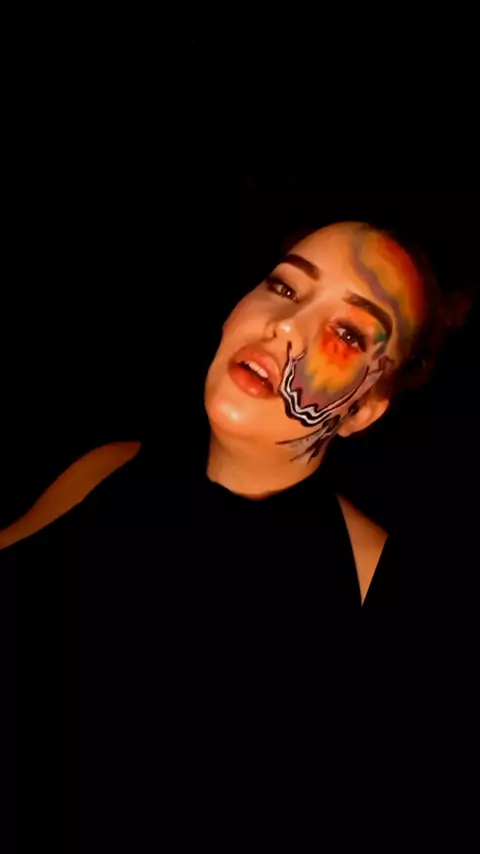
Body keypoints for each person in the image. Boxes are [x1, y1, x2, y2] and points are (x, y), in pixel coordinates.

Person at [2, 220, 472, 844]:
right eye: (285, 288)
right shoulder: (104, 470)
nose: (285, 326)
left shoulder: (374, 582)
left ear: (362, 412)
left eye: (346, 333)